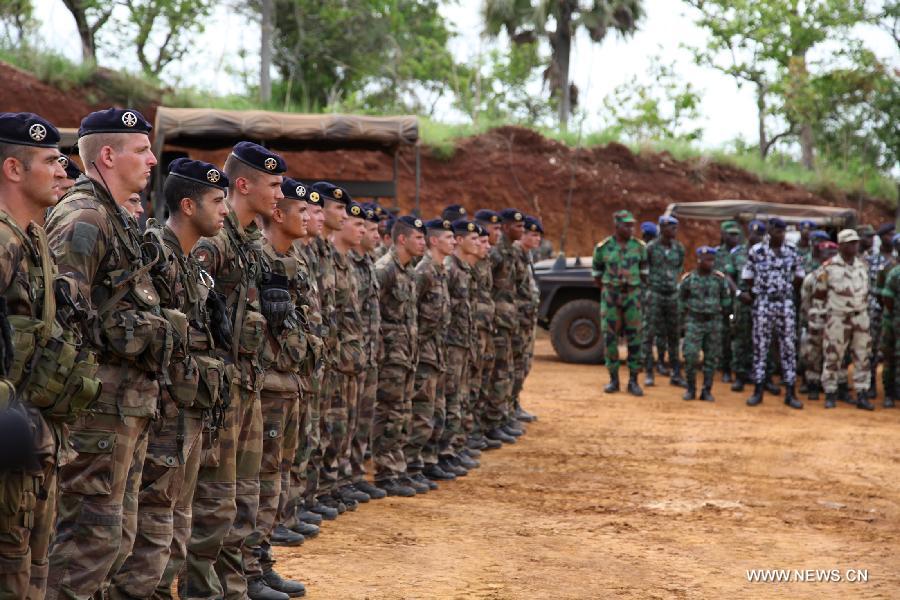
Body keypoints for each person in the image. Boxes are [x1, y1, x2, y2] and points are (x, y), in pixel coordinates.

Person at [45, 108, 166, 599]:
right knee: (85, 545)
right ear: (109, 156)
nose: (153, 159)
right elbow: (62, 321)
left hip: (123, 407)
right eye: (142, 150)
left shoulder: (114, 218)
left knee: (113, 540)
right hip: (94, 412)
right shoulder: (85, 218)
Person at [108, 158, 230, 599]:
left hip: (188, 407)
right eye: (217, 201)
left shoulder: (188, 262)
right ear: (188, 205)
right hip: (160, 409)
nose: (225, 211)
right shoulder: (154, 254)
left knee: (176, 518)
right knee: (152, 522)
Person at [186, 141, 287, 600]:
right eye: (274, 185)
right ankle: (206, 590)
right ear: (243, 185)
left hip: (247, 386)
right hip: (218, 393)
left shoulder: (248, 243)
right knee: (214, 502)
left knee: (244, 495)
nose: (281, 195)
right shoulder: (214, 243)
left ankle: (235, 584)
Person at [0, 112, 93, 599]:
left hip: (36, 438)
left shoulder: (33, 238)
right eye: (51, 161)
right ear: (13, 170)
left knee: (33, 574)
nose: (63, 171)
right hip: (9, 442)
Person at [246, 177, 313, 597]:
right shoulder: (258, 258)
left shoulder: (296, 261)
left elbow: (306, 320)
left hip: (291, 382)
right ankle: (248, 570)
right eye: (301, 210)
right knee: (259, 480)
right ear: (278, 214)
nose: (308, 217)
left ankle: (261, 560)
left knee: (277, 478)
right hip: (265, 387)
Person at [373, 216, 426, 496]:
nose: (423, 243)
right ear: (402, 239)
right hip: (391, 356)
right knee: (389, 412)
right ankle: (385, 471)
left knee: (403, 412)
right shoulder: (385, 270)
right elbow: (371, 313)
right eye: (418, 237)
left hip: (407, 355)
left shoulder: (408, 271)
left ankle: (398, 467)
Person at [405, 218, 453, 487]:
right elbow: (412, 315)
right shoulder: (423, 272)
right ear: (435, 241)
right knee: (420, 413)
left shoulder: (439, 270)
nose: (454, 242)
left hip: (436, 353)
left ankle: (426, 461)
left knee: (435, 411)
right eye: (448, 238)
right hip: (421, 353)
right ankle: (412, 465)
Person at [328, 199, 369, 509]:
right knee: (328, 427)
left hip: (350, 359)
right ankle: (318, 490)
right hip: (331, 363)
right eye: (359, 224)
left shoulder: (346, 263)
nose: (365, 231)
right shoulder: (321, 259)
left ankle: (338, 482)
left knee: (346, 424)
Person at [741, 217, 805, 409]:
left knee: (788, 348)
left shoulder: (792, 252)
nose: (780, 234)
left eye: (782, 231)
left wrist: (784, 291)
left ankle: (790, 393)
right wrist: (762, 292)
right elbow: (748, 277)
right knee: (760, 347)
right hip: (763, 303)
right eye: (776, 230)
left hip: (785, 304)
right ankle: (758, 391)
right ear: (769, 231)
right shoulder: (757, 252)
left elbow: (799, 277)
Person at [346, 204, 387, 498]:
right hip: (346, 359)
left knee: (360, 419)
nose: (372, 233)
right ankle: (333, 483)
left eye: (372, 228)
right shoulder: (348, 263)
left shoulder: (368, 264)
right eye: (365, 227)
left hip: (367, 355)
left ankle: (354, 474)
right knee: (340, 422)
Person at [440, 219, 482, 474]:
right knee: (449, 398)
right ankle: (444, 450)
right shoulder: (449, 268)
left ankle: (453, 446)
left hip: (462, 342)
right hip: (450, 344)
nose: (477, 243)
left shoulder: (462, 268)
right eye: (473, 238)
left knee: (459, 396)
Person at [592, 209, 648, 396]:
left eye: (632, 225)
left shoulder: (640, 247)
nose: (631, 228)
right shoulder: (603, 248)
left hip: (633, 297)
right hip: (611, 296)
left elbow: (644, 274)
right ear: (617, 226)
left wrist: (633, 290)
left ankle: (633, 380)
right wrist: (612, 288)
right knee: (610, 339)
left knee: (635, 339)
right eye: (627, 225)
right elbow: (597, 275)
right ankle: (613, 379)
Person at [817, 229, 873, 410]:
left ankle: (862, 393)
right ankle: (831, 393)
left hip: (860, 317)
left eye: (856, 242)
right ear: (840, 245)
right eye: (850, 243)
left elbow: (867, 291)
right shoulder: (829, 267)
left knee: (863, 357)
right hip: (838, 318)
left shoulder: (862, 266)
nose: (854, 246)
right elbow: (820, 295)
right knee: (833, 356)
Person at [484, 208, 526, 441]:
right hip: (496, 322)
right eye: (517, 226)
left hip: (508, 320)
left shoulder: (512, 251)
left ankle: (502, 417)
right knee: (498, 373)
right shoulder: (497, 253)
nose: (521, 230)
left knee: (507, 371)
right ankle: (492, 422)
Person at [678, 247, 730, 401]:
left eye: (712, 260)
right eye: (707, 260)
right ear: (699, 260)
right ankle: (691, 389)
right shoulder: (689, 279)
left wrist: (725, 316)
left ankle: (707, 390)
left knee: (711, 358)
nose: (710, 263)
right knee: (691, 355)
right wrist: (682, 321)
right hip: (694, 321)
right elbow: (681, 300)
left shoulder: (719, 279)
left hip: (713, 322)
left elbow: (726, 301)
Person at [470, 210, 503, 451]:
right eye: (480, 240)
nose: (487, 244)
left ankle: (475, 430)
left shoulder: (484, 262)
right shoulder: (456, 267)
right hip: (463, 337)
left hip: (482, 330)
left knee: (479, 382)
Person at [644, 215, 686, 387]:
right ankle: (649, 372)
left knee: (673, 335)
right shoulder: (651, 248)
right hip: (654, 294)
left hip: (672, 296)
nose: (674, 231)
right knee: (649, 334)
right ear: (662, 228)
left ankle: (676, 373)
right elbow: (644, 270)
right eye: (671, 228)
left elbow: (679, 268)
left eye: (676, 228)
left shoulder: (678, 248)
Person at [726, 220, 765, 391]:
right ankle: (740, 376)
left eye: (759, 234)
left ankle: (758, 375)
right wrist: (738, 294)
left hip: (760, 302)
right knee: (741, 339)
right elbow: (728, 276)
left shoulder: (767, 254)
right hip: (742, 302)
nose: (755, 236)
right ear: (748, 233)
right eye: (753, 233)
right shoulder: (737, 253)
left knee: (760, 340)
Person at [799, 240, 838, 401]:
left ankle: (831, 386)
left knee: (834, 353)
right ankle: (812, 385)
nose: (829, 257)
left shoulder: (840, 276)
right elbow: (805, 300)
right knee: (813, 353)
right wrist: (809, 318)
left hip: (836, 320)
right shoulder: (812, 277)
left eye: (832, 254)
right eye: (826, 254)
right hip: (816, 320)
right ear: (819, 256)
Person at [865, 223, 895, 399]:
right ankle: (870, 385)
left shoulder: (896, 259)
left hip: (893, 313)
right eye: (887, 234)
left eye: (893, 234)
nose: (890, 237)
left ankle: (890, 388)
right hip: (875, 311)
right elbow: (867, 285)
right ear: (881, 237)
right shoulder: (871, 259)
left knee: (891, 351)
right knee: (873, 349)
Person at [715, 220, 742, 383]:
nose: (734, 238)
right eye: (731, 234)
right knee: (724, 335)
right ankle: (725, 368)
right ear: (723, 235)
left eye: (736, 234)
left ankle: (739, 368)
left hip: (738, 300)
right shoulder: (716, 253)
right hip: (722, 300)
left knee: (739, 335)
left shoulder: (743, 253)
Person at [879, 233, 900, 409]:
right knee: (890, 358)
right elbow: (886, 299)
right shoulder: (893, 271)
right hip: (892, 322)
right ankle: (889, 395)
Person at [639, 221, 659, 378]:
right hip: (645, 295)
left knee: (646, 331)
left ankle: (645, 362)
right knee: (645, 332)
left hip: (647, 295)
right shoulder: (645, 249)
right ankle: (645, 362)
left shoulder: (647, 249)